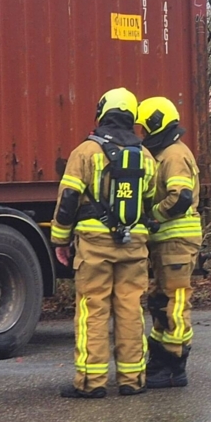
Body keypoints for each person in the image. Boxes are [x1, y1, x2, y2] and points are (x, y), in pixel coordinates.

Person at [51, 87, 157, 397]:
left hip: (94, 243)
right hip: (134, 244)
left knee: (93, 309)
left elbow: (68, 200)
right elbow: (149, 202)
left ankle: (91, 382)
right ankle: (132, 380)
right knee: (130, 309)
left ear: (102, 113)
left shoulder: (86, 151)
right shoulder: (146, 156)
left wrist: (60, 239)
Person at [137, 96, 204, 387]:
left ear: (157, 123)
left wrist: (152, 215)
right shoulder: (165, 152)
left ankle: (174, 366)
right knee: (160, 301)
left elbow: (181, 198)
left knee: (174, 303)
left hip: (177, 241)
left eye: (145, 128)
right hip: (167, 242)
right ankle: (161, 361)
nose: (142, 134)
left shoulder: (174, 155)